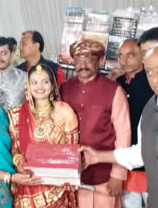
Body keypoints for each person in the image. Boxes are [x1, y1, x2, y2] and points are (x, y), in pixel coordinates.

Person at [80, 41, 158, 207]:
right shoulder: (151, 108)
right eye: (150, 72)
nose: (156, 79)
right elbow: (142, 153)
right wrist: (98, 156)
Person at [60, 39, 131, 208]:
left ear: (99, 61)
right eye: (78, 59)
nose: (82, 64)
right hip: (71, 174)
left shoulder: (114, 90)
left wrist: (118, 174)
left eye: (89, 59)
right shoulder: (63, 88)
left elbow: (123, 134)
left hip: (104, 175)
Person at [8, 64, 79, 207]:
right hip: (28, 181)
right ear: (28, 86)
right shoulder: (15, 114)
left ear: (52, 85)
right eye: (34, 82)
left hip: (57, 184)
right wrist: (19, 160)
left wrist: (69, 178)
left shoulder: (64, 111)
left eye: (45, 82)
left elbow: (73, 151)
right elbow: (14, 146)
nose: (39, 87)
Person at [116, 38, 154, 208]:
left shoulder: (153, 84)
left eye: (130, 55)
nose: (124, 61)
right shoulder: (118, 84)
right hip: (126, 161)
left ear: (142, 56)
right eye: (121, 56)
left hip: (151, 162)